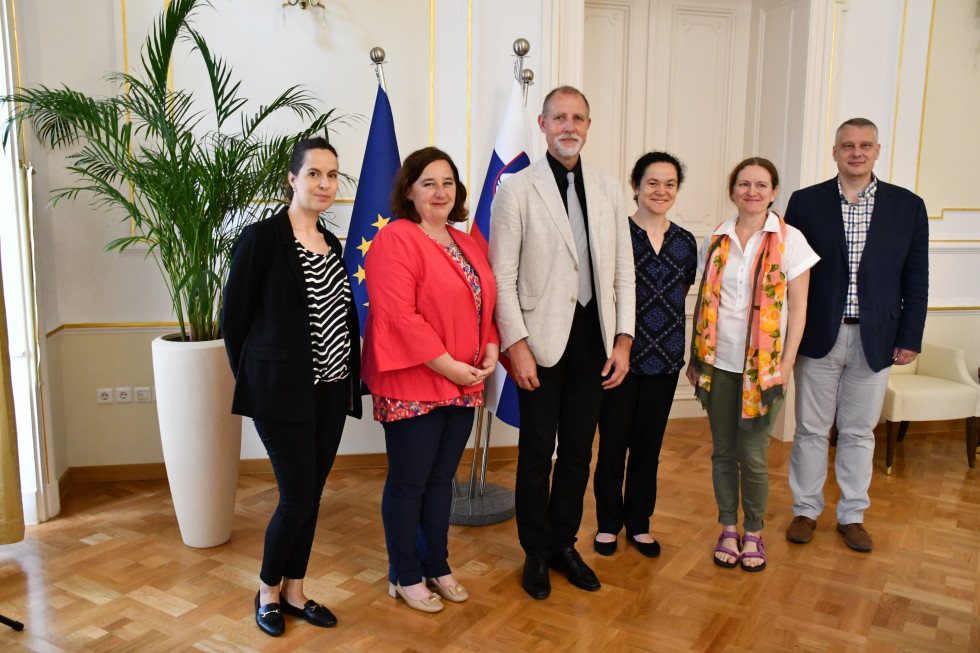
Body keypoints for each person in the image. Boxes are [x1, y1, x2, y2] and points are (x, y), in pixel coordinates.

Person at [489, 86, 635, 599]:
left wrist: (623, 339)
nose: (569, 126)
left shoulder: (609, 188)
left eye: (578, 118)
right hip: (540, 344)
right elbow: (501, 277)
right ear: (542, 123)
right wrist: (517, 345)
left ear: (588, 125)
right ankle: (535, 551)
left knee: (577, 453)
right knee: (535, 454)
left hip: (595, 342)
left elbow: (623, 273)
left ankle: (563, 544)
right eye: (559, 118)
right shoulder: (516, 188)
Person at [221, 137, 361, 637]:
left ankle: (296, 591)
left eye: (332, 175)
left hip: (330, 390)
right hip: (280, 393)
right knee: (297, 496)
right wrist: (258, 379)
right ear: (292, 178)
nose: (325, 184)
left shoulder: (333, 244)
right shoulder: (262, 239)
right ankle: (266, 592)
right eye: (314, 174)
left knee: (312, 494)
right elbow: (233, 321)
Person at [361, 147, 499, 613]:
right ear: (409, 191)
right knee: (409, 482)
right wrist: (449, 367)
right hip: (414, 382)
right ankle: (403, 574)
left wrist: (493, 348)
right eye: (428, 183)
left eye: (448, 182)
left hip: (465, 380)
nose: (441, 192)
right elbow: (399, 317)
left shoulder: (467, 242)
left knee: (442, 482)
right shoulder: (396, 239)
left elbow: (484, 306)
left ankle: (436, 565)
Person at [784, 118, 928, 553]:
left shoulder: (908, 206)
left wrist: (910, 336)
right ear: (835, 152)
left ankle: (852, 515)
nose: (856, 152)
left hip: (877, 338)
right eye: (847, 145)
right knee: (810, 429)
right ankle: (806, 510)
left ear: (877, 151)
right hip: (817, 336)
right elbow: (788, 271)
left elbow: (916, 278)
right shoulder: (806, 203)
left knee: (860, 431)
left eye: (865, 145)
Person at [686, 157, 818, 572]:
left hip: (764, 369)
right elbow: (704, 304)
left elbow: (798, 308)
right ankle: (728, 526)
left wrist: (787, 362)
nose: (753, 192)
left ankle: (754, 532)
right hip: (719, 364)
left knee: (755, 454)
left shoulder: (790, 240)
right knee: (723, 452)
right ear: (733, 191)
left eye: (762, 185)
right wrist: (696, 357)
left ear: (774, 192)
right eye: (744, 184)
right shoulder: (717, 239)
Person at [593, 152, 697, 558]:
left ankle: (639, 524)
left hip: (666, 357)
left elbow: (682, 289)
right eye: (652, 182)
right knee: (613, 444)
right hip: (619, 358)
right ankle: (607, 525)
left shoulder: (686, 242)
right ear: (635, 186)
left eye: (669, 184)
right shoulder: (615, 234)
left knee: (648, 448)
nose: (661, 191)